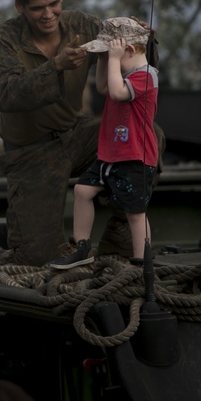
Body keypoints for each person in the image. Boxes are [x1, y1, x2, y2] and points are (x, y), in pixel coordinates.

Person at [50, 17, 159, 269]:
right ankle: (82, 248)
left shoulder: (146, 76)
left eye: (115, 55)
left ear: (129, 51)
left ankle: (143, 263)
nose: (111, 61)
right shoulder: (121, 72)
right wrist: (103, 56)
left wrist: (112, 58)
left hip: (134, 157)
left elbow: (118, 91)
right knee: (82, 191)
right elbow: (102, 87)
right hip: (110, 154)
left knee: (134, 213)